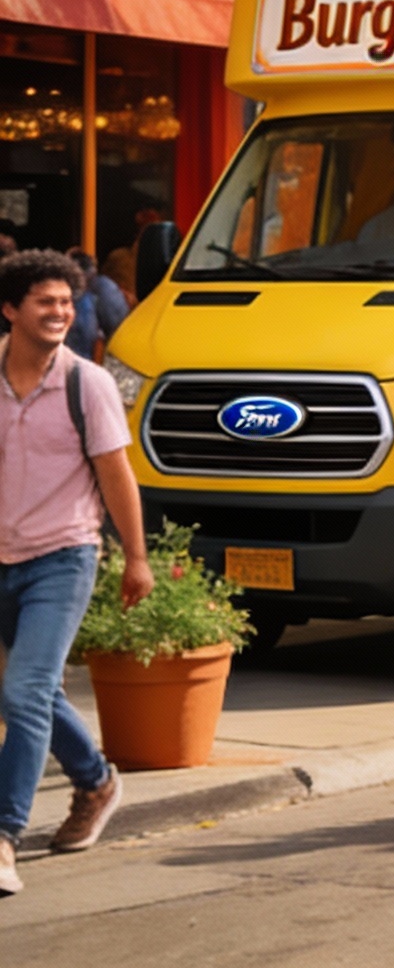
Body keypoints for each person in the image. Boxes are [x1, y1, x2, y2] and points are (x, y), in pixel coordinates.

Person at [0, 251, 151, 899]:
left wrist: (137, 557)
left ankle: (2, 836)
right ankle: (95, 783)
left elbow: (117, 473)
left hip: (63, 555)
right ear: (11, 310)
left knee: (22, 692)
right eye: (46, 302)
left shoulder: (85, 383)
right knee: (34, 693)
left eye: (67, 302)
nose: (61, 312)